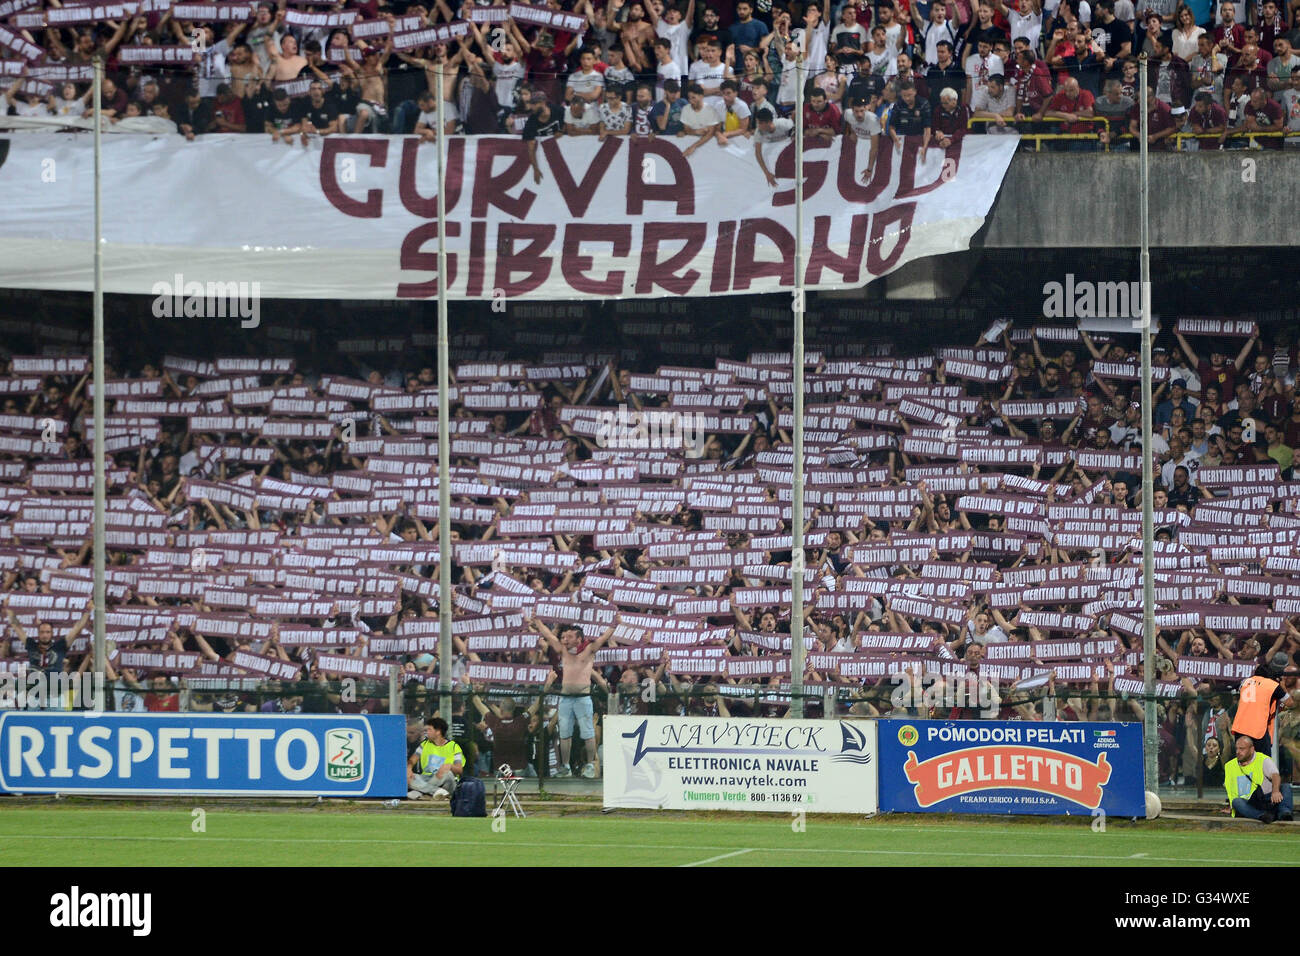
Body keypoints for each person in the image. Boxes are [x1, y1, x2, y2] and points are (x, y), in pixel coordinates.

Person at [531, 617, 617, 777]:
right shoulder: (563, 651)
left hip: (583, 698)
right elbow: (550, 636)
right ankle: (565, 767)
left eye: (569, 637)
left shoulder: (589, 649)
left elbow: (604, 638)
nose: (564, 640)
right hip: (565, 698)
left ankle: (591, 764)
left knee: (588, 733)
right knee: (564, 733)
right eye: (563, 637)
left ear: (579, 638)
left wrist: (614, 624)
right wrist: (538, 622)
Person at [1225, 734, 1293, 821]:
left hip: (1267, 798)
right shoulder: (1229, 766)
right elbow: (1231, 791)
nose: (1238, 751)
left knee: (1285, 787)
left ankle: (1284, 814)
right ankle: (1262, 816)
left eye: (1242, 749)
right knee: (1236, 802)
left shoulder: (1263, 759)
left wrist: (1275, 791)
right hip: (1249, 803)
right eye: (1237, 748)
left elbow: (1275, 775)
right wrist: (1232, 807)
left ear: (1252, 749)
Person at [407, 716, 464, 800]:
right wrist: (409, 768)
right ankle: (436, 792)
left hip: (444, 780)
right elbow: (412, 760)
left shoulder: (454, 747)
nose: (427, 733)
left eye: (429, 730)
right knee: (406, 776)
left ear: (438, 732)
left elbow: (459, 770)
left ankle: (423, 793)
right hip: (427, 779)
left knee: (448, 774)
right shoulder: (424, 745)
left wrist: (449, 766)